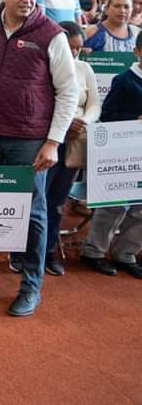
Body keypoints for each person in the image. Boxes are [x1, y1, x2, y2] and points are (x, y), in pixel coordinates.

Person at [0, 0, 79, 317]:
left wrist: (52, 142)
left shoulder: (51, 34)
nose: (27, 0)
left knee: (32, 214)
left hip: (29, 140)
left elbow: (68, 92)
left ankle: (31, 286)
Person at [79, 30, 142, 279]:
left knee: (140, 207)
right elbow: (107, 116)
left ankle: (126, 253)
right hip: (123, 152)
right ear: (136, 52)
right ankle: (93, 251)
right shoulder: (124, 80)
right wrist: (134, 120)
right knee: (113, 205)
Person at [44, 21, 99, 276]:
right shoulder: (47, 66)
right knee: (38, 199)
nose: (75, 53)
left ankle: (49, 251)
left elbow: (95, 105)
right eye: (70, 47)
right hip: (48, 139)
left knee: (57, 201)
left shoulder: (84, 68)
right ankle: (25, 251)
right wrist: (63, 125)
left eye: (79, 48)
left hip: (75, 141)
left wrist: (83, 122)